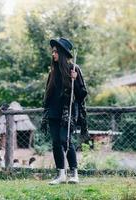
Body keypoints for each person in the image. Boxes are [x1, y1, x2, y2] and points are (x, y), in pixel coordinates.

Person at [40, 37, 88, 184]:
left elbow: (81, 94)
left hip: (67, 113)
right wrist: (46, 111)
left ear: (61, 53)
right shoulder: (53, 72)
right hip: (54, 111)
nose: (53, 54)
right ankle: (60, 174)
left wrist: (75, 80)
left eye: (55, 52)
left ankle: (74, 173)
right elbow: (48, 94)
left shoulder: (74, 69)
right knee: (55, 142)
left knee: (65, 140)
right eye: (52, 51)